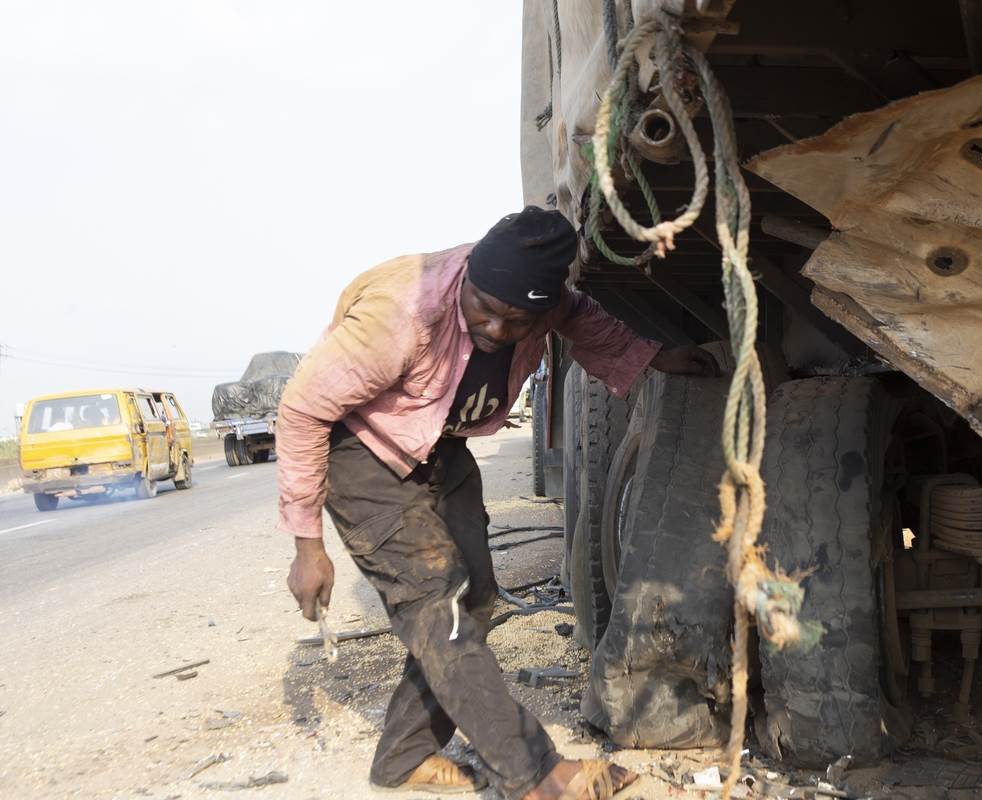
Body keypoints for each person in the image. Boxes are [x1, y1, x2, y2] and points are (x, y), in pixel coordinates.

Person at [278, 207, 718, 800]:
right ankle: (533, 773)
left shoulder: (540, 302)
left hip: (438, 446)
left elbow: (584, 321)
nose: (494, 328)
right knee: (439, 604)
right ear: (468, 280)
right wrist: (309, 546)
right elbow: (303, 409)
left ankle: (403, 757)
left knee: (475, 598)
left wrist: (654, 358)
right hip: (362, 455)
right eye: (482, 308)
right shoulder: (401, 314)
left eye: (516, 320)